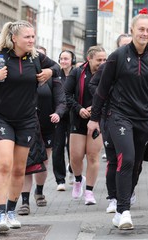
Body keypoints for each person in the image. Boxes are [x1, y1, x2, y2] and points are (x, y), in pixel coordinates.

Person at [0, 20, 60, 233]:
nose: (31, 40)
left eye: (33, 37)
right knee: (4, 164)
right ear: (14, 38)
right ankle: (0, 214)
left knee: (19, 169)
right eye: (27, 37)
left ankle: (12, 212)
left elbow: (57, 67)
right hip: (1, 118)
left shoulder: (36, 58)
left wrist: (50, 72)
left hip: (26, 121)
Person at [87, 8, 148, 230]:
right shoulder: (118, 56)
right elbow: (102, 89)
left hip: (144, 119)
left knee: (137, 165)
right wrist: (94, 118)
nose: (145, 33)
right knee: (127, 159)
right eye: (141, 29)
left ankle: (123, 204)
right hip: (119, 116)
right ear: (132, 30)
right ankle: (123, 210)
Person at [17, 46, 66, 215]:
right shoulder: (23, 76)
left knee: (43, 162)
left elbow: (61, 100)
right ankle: (24, 201)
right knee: (26, 162)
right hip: (26, 125)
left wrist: (58, 113)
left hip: (47, 126)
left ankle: (39, 191)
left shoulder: (52, 77)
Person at [88, 33, 133, 214]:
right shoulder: (110, 64)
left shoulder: (144, 64)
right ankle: (114, 198)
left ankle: (128, 192)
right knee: (114, 159)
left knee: (132, 160)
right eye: (124, 45)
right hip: (112, 116)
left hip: (135, 117)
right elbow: (94, 86)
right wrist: (110, 98)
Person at [64, 46, 106, 205]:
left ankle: (89, 192)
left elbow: (112, 95)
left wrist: (96, 110)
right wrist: (79, 109)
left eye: (104, 60)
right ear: (89, 59)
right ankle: (77, 179)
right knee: (75, 157)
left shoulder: (108, 73)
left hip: (98, 120)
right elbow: (65, 94)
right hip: (78, 118)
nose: (102, 63)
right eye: (99, 60)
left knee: (93, 156)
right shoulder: (77, 72)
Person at [52, 49, 76, 191]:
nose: (63, 61)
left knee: (72, 148)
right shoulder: (55, 75)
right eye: (61, 58)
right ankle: (60, 179)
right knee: (58, 147)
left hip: (73, 116)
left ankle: (73, 172)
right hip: (59, 116)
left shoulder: (76, 74)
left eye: (66, 59)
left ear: (72, 60)